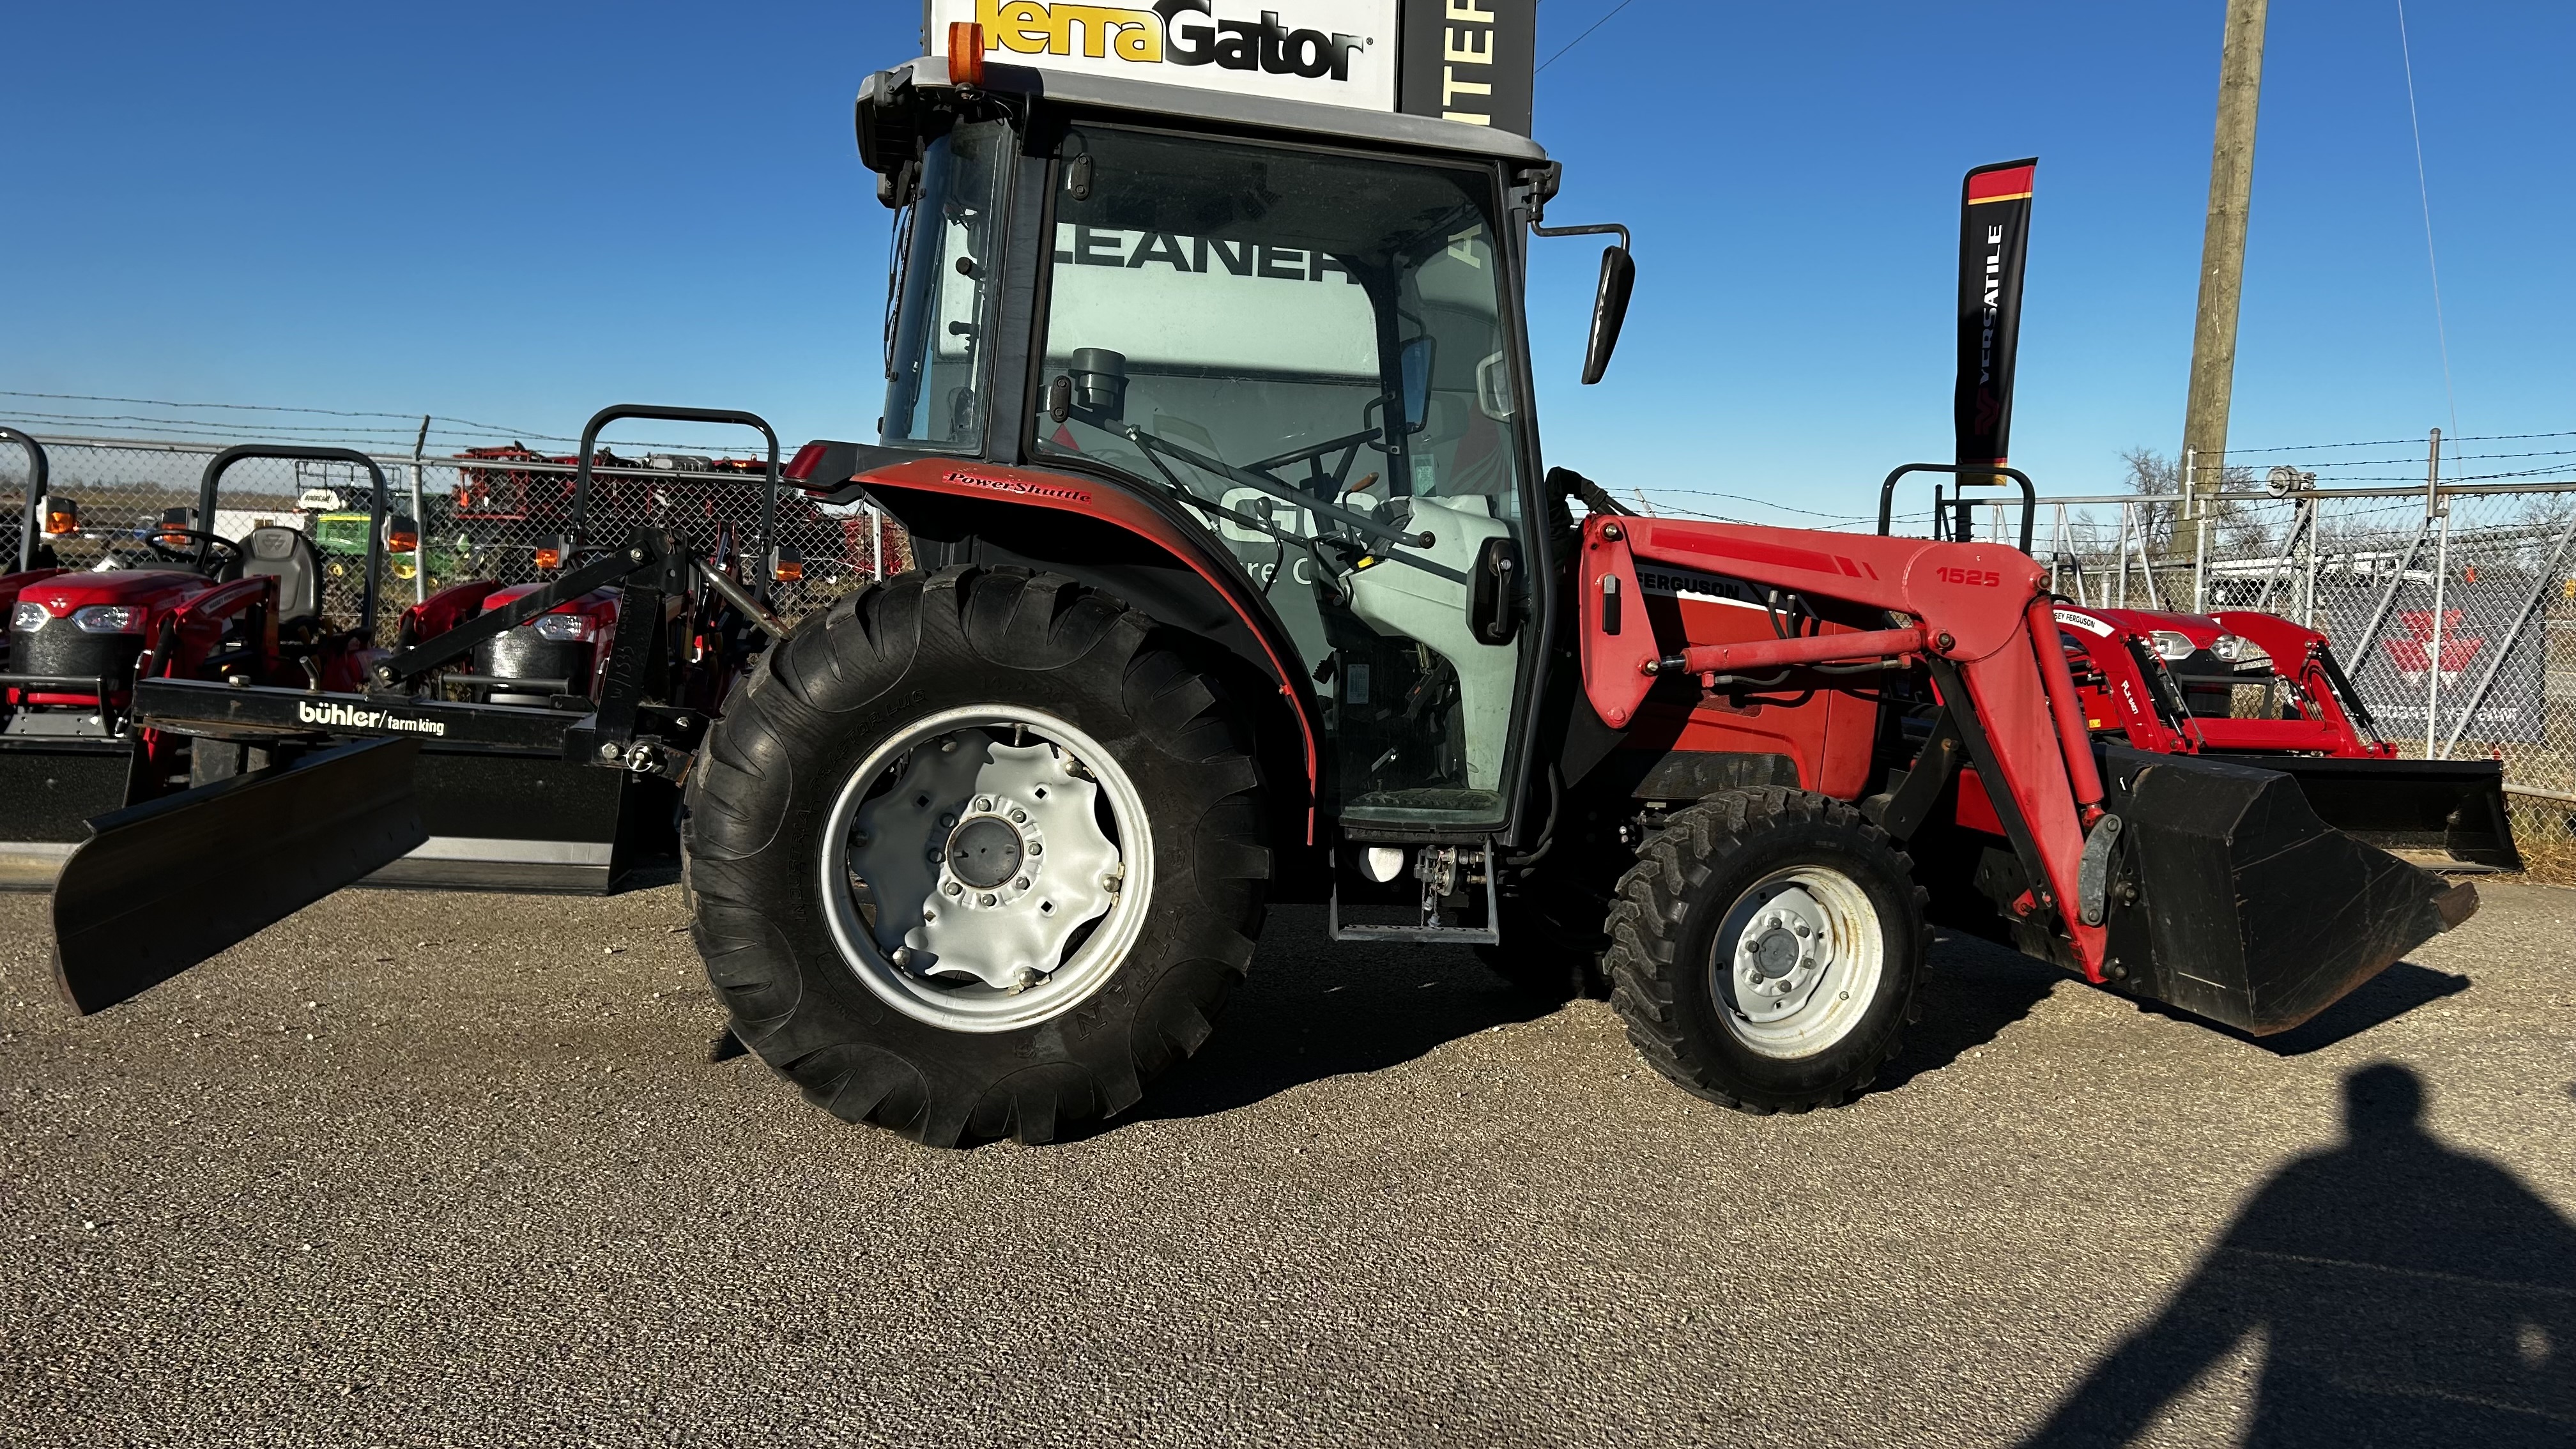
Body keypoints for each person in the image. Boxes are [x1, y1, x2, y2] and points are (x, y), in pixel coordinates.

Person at [2025, 1063, 2574, 1446]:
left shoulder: (2306, 1175)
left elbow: (2211, 1302)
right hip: (2467, 1404)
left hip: (2313, 1396)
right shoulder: (2481, 1179)